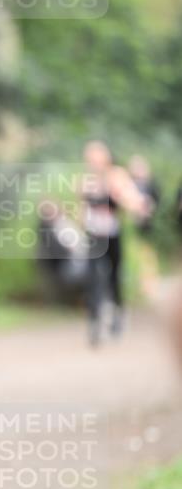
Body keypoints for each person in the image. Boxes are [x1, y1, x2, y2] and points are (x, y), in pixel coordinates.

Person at [79, 140, 148, 347]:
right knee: (92, 277)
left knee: (113, 275)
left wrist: (138, 207)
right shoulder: (85, 179)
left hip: (112, 234)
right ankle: (94, 320)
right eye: (91, 158)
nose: (94, 161)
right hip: (93, 235)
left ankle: (118, 310)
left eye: (97, 157)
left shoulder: (116, 175)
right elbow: (82, 206)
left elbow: (130, 198)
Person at [127, 154, 161, 300]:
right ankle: (136, 285)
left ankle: (149, 285)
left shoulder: (151, 184)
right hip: (131, 225)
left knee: (147, 255)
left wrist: (148, 209)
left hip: (147, 226)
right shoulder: (128, 184)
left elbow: (157, 202)